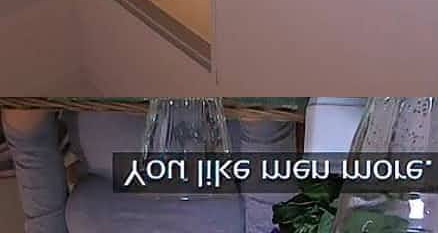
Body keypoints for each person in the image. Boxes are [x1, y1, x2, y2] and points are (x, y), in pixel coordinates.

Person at [2, 109, 296, 233]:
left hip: (93, 64)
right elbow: (267, 141)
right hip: (215, 86)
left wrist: (28, 104)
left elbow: (31, 147)